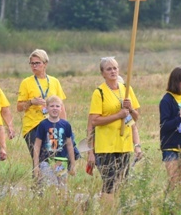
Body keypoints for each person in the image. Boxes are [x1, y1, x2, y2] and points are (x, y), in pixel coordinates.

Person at [86, 57, 142, 199]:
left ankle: (117, 214)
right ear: (103, 73)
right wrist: (118, 115)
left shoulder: (127, 89)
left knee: (121, 182)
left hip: (123, 145)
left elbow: (136, 118)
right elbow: (94, 121)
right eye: (109, 69)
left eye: (115, 68)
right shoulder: (99, 93)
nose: (113, 71)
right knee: (109, 183)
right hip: (105, 146)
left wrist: (130, 109)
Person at [17, 49, 67, 161]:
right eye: (32, 63)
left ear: (45, 64)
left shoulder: (54, 82)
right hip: (33, 126)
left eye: (37, 63)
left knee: (55, 157)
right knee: (39, 159)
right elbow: (19, 107)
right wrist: (31, 102)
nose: (34, 66)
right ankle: (38, 178)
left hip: (52, 125)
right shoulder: (26, 82)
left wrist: (64, 126)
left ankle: (53, 179)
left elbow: (61, 106)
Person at [33, 96, 76, 189]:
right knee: (51, 186)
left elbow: (69, 145)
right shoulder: (43, 124)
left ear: (61, 108)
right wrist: (36, 166)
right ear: (47, 108)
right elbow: (37, 145)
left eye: (57, 106)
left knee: (62, 187)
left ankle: (60, 203)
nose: (55, 108)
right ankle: (51, 202)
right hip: (46, 161)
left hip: (62, 161)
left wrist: (72, 164)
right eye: (52, 106)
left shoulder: (66, 125)